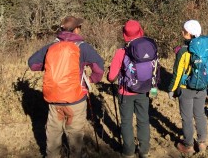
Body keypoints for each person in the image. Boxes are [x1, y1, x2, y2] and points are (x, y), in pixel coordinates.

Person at [28, 16, 104, 158]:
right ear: (76, 29)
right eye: (80, 27)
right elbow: (99, 68)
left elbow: (32, 63)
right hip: (75, 99)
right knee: (75, 134)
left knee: (53, 133)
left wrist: (51, 66)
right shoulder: (82, 47)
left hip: (54, 98)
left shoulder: (51, 46)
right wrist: (90, 80)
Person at [107, 20, 156, 158]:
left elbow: (111, 77)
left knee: (127, 122)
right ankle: (144, 150)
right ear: (140, 32)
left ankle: (128, 152)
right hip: (144, 90)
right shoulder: (149, 49)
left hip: (125, 93)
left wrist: (109, 74)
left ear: (124, 35)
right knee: (143, 119)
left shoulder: (121, 52)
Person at [168, 20, 208, 155]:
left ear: (188, 34)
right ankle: (202, 142)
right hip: (202, 87)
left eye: (184, 31)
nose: (182, 33)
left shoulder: (184, 51)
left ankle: (189, 145)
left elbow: (178, 73)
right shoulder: (206, 48)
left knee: (187, 117)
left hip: (186, 88)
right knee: (200, 114)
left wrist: (172, 89)